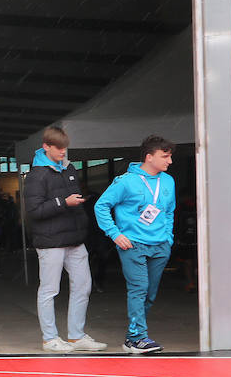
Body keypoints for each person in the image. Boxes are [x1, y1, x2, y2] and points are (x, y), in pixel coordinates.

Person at [23, 126, 107, 352]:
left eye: (65, 147)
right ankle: (50, 339)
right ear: (46, 147)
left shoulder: (69, 169)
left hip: (75, 239)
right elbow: (33, 211)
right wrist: (64, 202)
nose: (63, 152)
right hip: (50, 242)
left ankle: (76, 336)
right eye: (58, 148)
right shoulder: (36, 175)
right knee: (49, 290)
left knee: (83, 286)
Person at [94, 135, 176, 355]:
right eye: (165, 156)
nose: (169, 161)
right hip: (133, 245)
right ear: (149, 157)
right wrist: (115, 234)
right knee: (139, 289)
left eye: (170, 157)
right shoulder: (126, 181)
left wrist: (168, 237)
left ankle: (133, 337)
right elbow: (101, 206)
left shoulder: (168, 181)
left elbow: (169, 212)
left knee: (150, 293)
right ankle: (138, 338)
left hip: (160, 245)